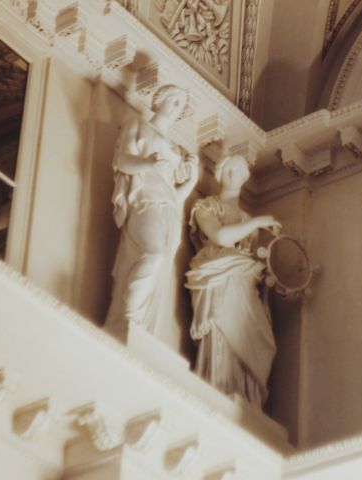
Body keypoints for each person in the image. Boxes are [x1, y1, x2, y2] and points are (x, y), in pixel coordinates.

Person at [104, 84, 199, 341]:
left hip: (170, 208)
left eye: (181, 105)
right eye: (175, 100)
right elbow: (122, 161)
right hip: (146, 200)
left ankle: (139, 330)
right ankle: (126, 319)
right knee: (153, 255)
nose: (178, 107)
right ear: (159, 99)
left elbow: (176, 195)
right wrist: (147, 162)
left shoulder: (177, 148)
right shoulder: (137, 124)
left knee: (161, 266)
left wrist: (191, 181)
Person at [185, 155, 281, 406]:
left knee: (261, 339)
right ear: (219, 174)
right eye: (228, 169)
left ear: (245, 177)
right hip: (218, 277)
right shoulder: (206, 206)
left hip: (242, 281)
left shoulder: (247, 221)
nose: (232, 174)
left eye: (238, 170)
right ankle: (221, 387)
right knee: (223, 327)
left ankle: (245, 398)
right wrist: (258, 221)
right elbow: (220, 237)